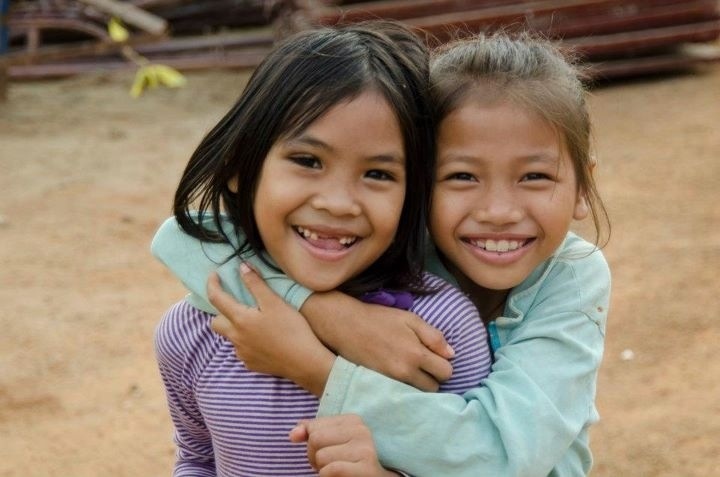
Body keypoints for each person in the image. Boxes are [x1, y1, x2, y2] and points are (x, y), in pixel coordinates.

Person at [202, 32, 612, 476]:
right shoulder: (396, 242)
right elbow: (182, 237)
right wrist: (332, 314)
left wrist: (316, 368)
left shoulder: (572, 277)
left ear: (582, 188)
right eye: (461, 176)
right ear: (416, 181)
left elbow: (497, 454)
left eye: (535, 176)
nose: (498, 212)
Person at [151, 21, 492, 477]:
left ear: (413, 193)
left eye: (378, 174)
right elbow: (197, 459)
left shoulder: (439, 334)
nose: (337, 203)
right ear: (238, 167)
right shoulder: (190, 334)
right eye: (308, 161)